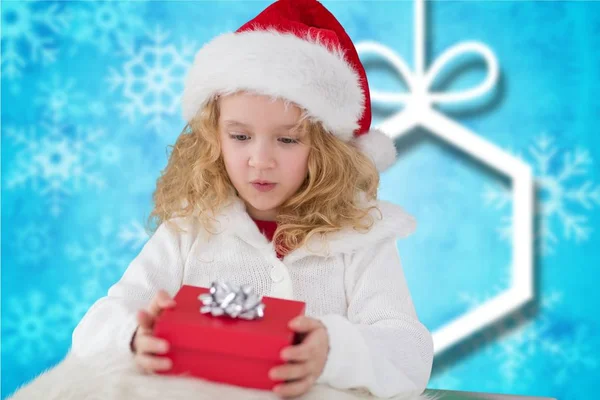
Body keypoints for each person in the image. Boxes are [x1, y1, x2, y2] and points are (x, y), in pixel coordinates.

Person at [71, 0, 434, 398]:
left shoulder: (360, 239)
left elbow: (409, 351)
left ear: (329, 150)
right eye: (240, 136)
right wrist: (134, 335)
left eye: (288, 139)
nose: (260, 160)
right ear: (214, 138)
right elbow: (94, 328)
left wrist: (334, 350)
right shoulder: (191, 230)